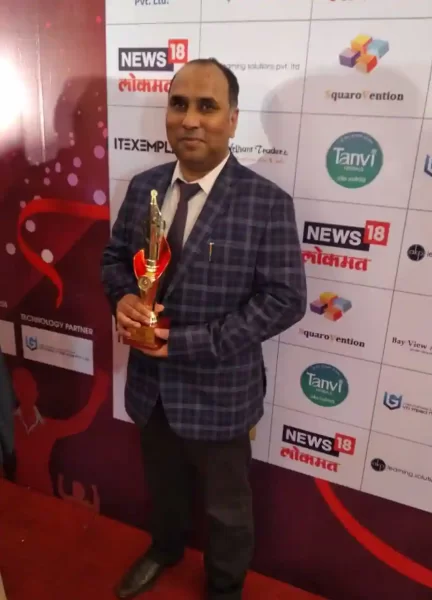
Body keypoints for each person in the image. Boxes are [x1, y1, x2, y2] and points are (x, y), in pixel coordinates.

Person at [101, 58, 307, 600]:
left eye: (207, 106)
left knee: (226, 512)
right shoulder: (144, 187)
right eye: (179, 104)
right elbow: (115, 260)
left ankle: (224, 588)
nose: (190, 119)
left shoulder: (266, 203)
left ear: (233, 119)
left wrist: (190, 343)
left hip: (221, 395)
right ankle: (164, 549)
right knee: (164, 489)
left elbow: (285, 300)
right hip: (150, 391)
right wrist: (122, 297)